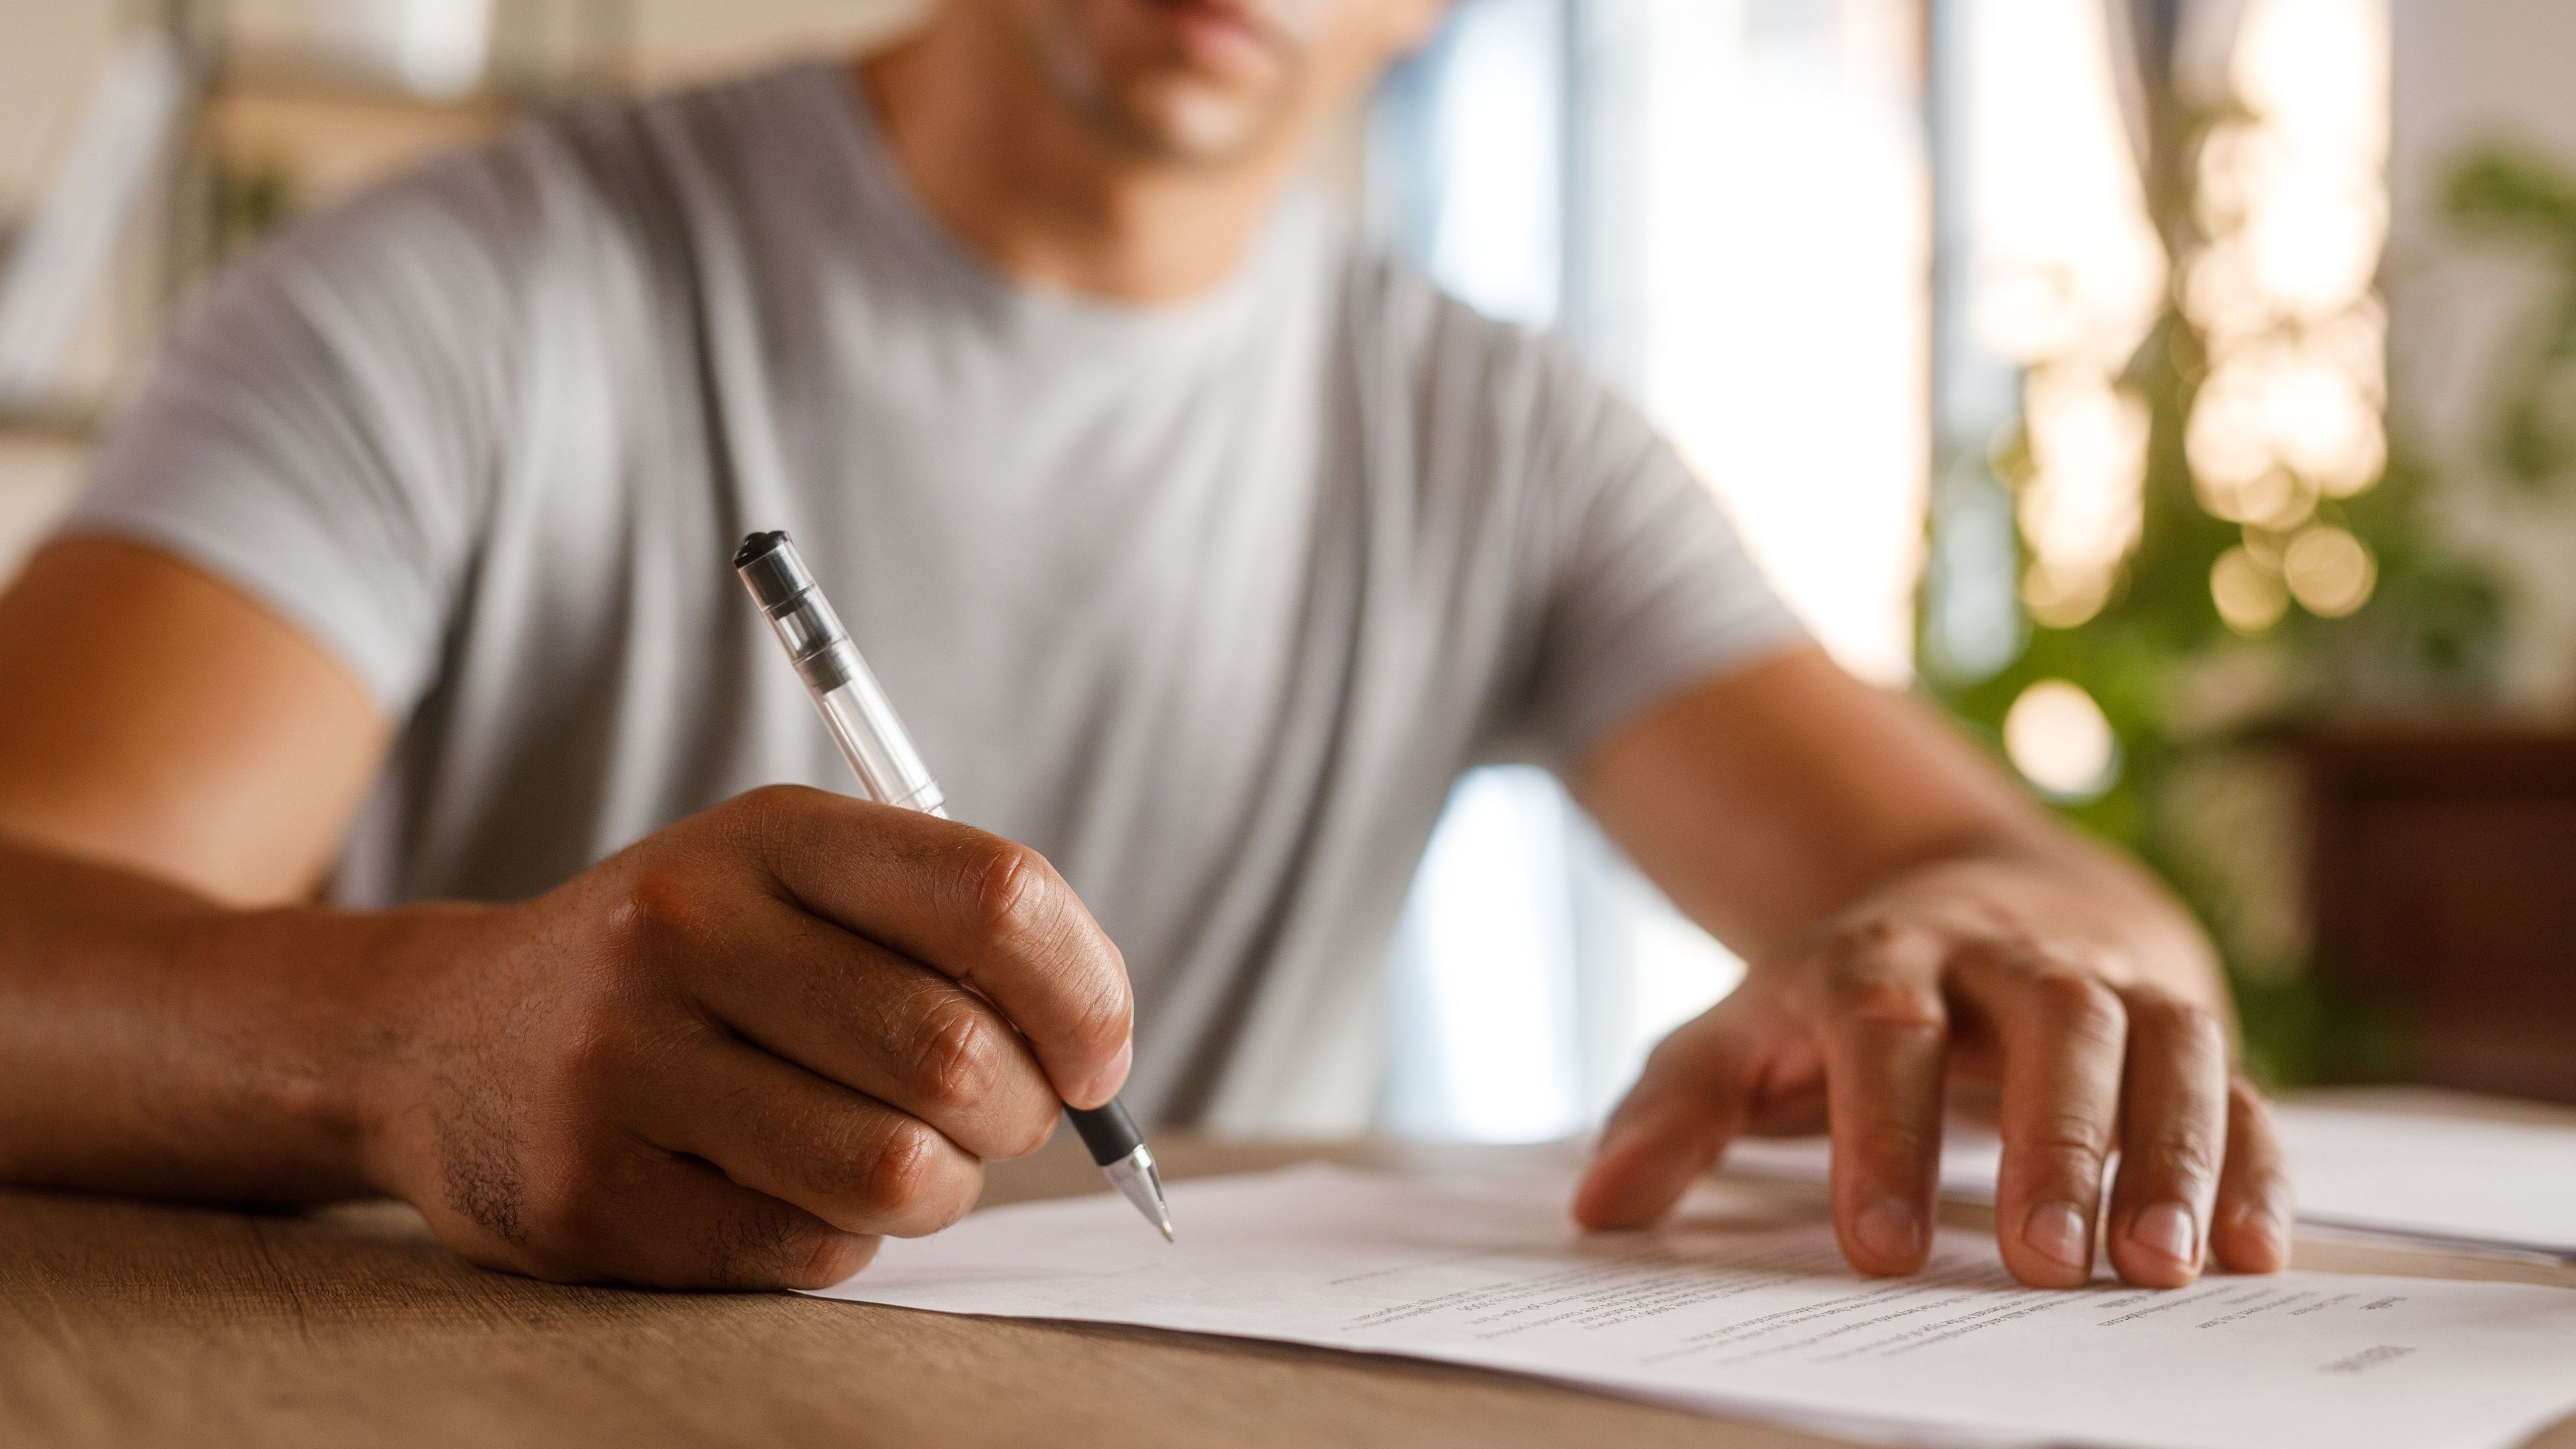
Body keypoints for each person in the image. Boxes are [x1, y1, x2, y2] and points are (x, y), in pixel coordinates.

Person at [0, 0, 2287, 1294]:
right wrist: (412, 1046)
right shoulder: (450, 297)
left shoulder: (1503, 439)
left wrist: (1961, 956)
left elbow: (2081, 907)